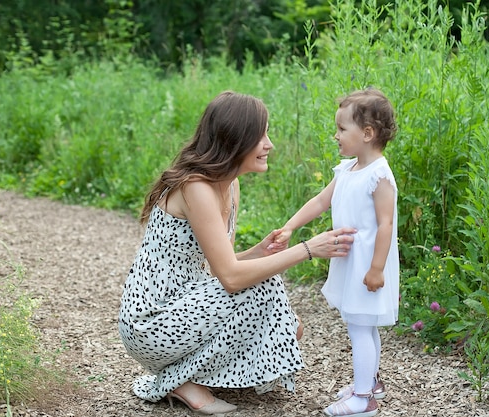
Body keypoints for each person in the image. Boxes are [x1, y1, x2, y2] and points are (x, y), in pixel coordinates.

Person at [118, 91, 357, 415]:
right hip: (151, 322)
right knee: (266, 287)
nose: (269, 144)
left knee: (290, 327)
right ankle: (180, 380)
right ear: (236, 139)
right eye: (261, 136)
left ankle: (183, 376)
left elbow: (220, 268)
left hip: (185, 304)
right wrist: (308, 250)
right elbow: (230, 279)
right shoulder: (196, 187)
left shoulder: (228, 185)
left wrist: (259, 252)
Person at [274, 88, 399, 417]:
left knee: (360, 327)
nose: (336, 135)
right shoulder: (347, 170)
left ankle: (363, 398)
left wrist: (376, 269)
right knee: (363, 324)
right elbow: (319, 202)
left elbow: (385, 225)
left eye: (342, 129)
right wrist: (290, 227)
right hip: (351, 260)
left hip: (367, 264)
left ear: (367, 134)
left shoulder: (379, 175)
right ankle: (371, 383)